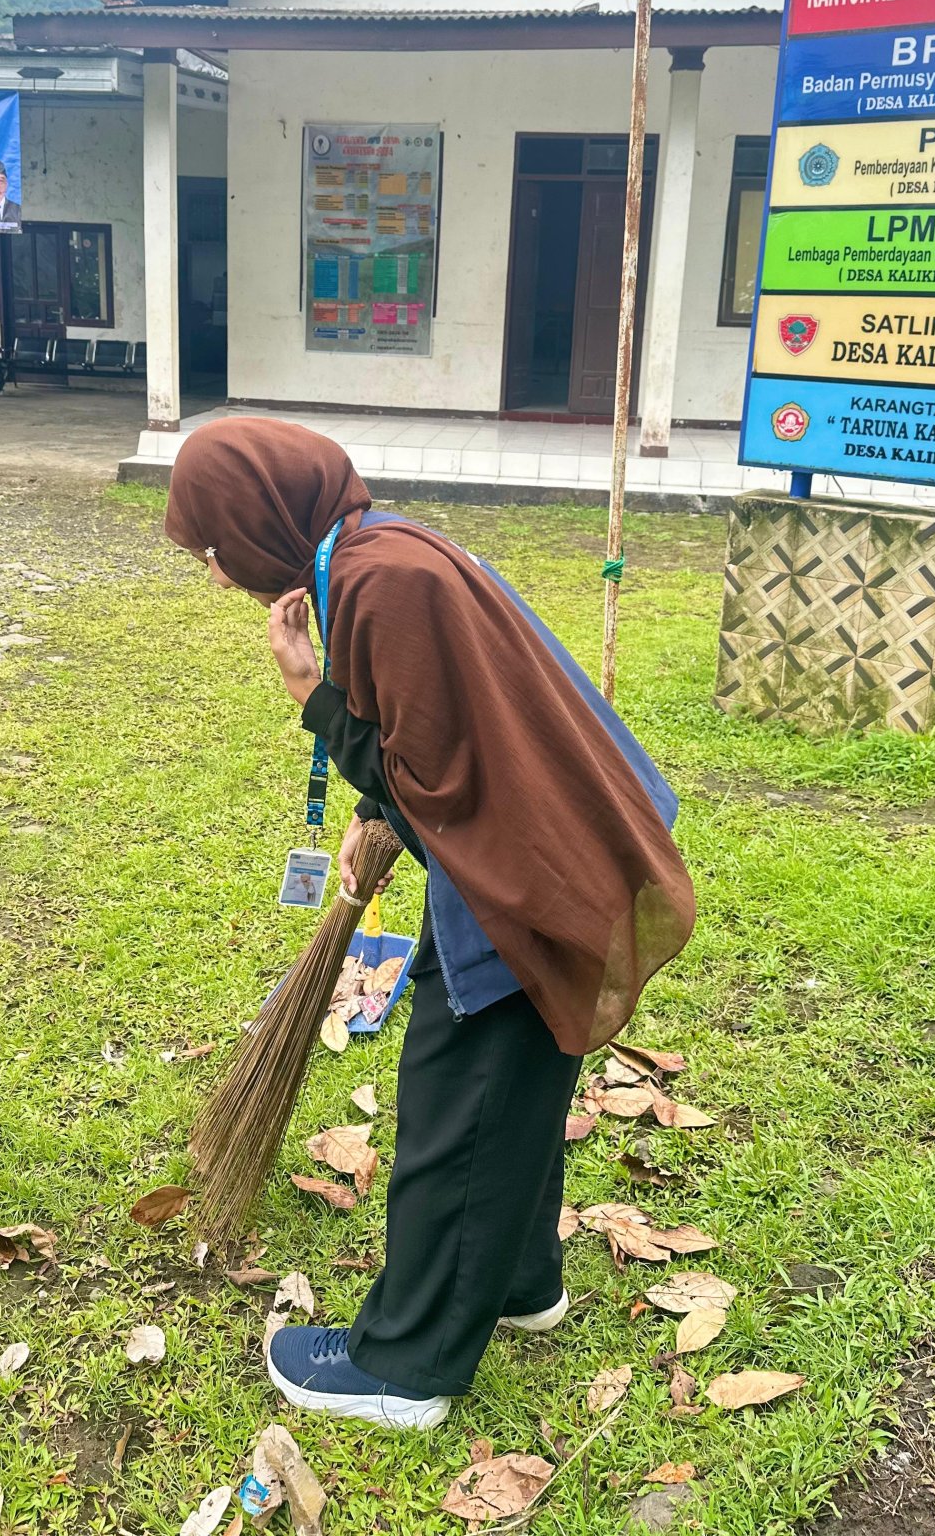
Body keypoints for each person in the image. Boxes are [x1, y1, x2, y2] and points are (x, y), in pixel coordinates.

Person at [164, 419, 694, 1431]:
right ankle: (518, 1284)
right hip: (544, 839)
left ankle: (406, 1368)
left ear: (252, 520)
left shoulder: (378, 580)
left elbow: (435, 779)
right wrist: (373, 807)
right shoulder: (375, 547)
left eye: (213, 549)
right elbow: (428, 740)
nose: (220, 571)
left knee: (462, 1095)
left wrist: (307, 693)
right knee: (519, 1082)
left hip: (529, 868)